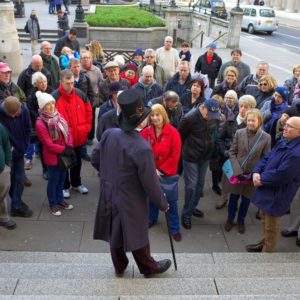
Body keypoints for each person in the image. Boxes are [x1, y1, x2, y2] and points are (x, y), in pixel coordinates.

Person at [91, 89, 172, 277]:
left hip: (108, 192)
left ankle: (120, 265)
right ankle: (148, 267)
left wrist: (108, 176)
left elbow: (95, 158)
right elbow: (151, 183)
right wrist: (163, 204)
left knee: (114, 229)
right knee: (137, 231)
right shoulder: (142, 148)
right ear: (141, 121)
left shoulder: (110, 134)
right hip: (130, 197)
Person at [246, 116, 300, 252]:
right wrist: (257, 171)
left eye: (289, 126)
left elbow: (282, 175)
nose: (284, 128)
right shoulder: (285, 140)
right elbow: (267, 157)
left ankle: (268, 252)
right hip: (268, 188)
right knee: (264, 219)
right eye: (285, 124)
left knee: (271, 226)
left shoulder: (296, 153)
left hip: (278, 194)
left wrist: (261, 179)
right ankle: (262, 243)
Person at [223, 109, 271, 234]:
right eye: (248, 120)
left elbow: (265, 158)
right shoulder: (239, 132)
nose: (250, 123)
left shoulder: (266, 138)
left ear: (259, 121)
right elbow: (232, 152)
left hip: (251, 175)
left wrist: (255, 172)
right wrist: (237, 170)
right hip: (237, 173)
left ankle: (241, 221)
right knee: (233, 198)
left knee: (246, 201)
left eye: (253, 120)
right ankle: (230, 219)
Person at [141, 104, 182, 241]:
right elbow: (140, 153)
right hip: (150, 173)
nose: (155, 118)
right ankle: (151, 219)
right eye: (152, 115)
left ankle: (174, 228)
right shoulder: (145, 133)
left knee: (170, 202)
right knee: (151, 198)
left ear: (163, 115)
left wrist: (161, 170)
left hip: (167, 174)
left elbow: (175, 155)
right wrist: (152, 170)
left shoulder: (173, 132)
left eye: (158, 115)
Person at [178, 99, 220, 229]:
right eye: (208, 114)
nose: (210, 118)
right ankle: (186, 214)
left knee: (200, 185)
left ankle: (192, 207)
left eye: (212, 116)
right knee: (191, 186)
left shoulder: (214, 116)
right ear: (202, 108)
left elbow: (214, 134)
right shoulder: (189, 118)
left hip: (205, 157)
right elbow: (180, 136)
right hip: (191, 157)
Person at [52, 69, 92, 199]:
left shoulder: (80, 94)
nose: (70, 86)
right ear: (61, 82)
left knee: (78, 162)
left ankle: (76, 183)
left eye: (72, 83)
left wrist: (86, 128)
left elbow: (89, 112)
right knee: (64, 163)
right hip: (63, 139)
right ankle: (65, 186)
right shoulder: (54, 97)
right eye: (67, 83)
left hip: (79, 137)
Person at [35, 91, 74, 216]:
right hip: (53, 156)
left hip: (64, 155)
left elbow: (68, 131)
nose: (52, 106)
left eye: (53, 103)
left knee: (62, 179)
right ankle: (53, 203)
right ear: (42, 107)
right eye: (48, 104)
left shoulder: (58, 115)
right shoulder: (40, 123)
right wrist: (65, 149)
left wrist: (69, 145)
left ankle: (60, 200)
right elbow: (48, 144)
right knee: (53, 181)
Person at [216, 95, 257, 209]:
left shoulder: (253, 124)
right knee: (226, 180)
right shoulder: (230, 120)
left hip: (243, 161)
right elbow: (220, 138)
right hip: (229, 158)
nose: (243, 109)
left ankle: (235, 201)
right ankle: (223, 198)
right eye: (241, 106)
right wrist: (224, 151)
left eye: (246, 107)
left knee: (239, 183)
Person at [0, 97, 33, 218]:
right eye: (12, 115)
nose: (15, 117)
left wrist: (25, 145)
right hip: (5, 156)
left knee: (19, 179)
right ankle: (15, 202)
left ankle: (16, 205)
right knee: (8, 181)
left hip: (19, 151)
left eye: (17, 114)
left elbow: (28, 128)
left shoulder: (23, 109)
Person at [27, 72, 53, 179]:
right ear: (35, 84)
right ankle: (45, 169)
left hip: (52, 123)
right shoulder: (32, 95)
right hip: (40, 124)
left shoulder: (51, 90)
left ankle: (52, 166)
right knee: (42, 147)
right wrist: (43, 118)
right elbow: (32, 111)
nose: (44, 84)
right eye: (41, 82)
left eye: (45, 81)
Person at [0, 123, 16, 230]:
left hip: (2, 167)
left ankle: (3, 217)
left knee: (3, 192)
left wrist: (8, 164)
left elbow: (6, 144)